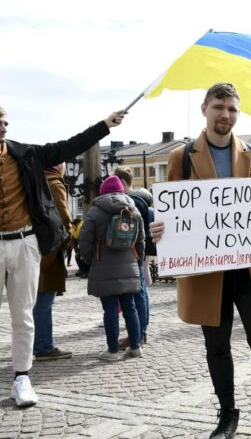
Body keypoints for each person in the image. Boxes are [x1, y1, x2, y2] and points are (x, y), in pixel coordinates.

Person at [149, 83, 251, 439]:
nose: (226, 115)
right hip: (207, 271)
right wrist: (160, 229)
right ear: (204, 108)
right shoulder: (182, 157)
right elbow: (173, 212)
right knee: (216, 345)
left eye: (232, 109)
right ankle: (227, 414)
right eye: (219, 107)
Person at [0, 105, 125, 407]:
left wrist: (105, 125)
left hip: (25, 242)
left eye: (5, 121)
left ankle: (22, 378)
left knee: (23, 315)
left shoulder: (26, 154)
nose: (3, 126)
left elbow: (70, 146)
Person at [79, 175, 144, 361]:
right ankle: (136, 347)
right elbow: (141, 242)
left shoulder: (95, 211)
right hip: (129, 264)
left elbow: (84, 241)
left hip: (103, 265)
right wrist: (137, 263)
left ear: (102, 192)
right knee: (130, 308)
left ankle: (113, 350)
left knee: (110, 310)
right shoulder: (134, 210)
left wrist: (91, 261)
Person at [33, 165, 74, 361]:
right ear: (59, 168)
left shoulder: (33, 181)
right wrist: (70, 237)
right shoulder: (55, 184)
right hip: (49, 248)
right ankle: (43, 346)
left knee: (31, 299)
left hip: (32, 245)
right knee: (44, 297)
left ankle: (31, 344)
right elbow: (63, 216)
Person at [113, 167, 152, 347]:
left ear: (121, 182)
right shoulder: (139, 199)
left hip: (133, 253)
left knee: (138, 295)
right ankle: (140, 333)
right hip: (138, 253)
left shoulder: (133, 202)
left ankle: (139, 334)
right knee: (140, 293)